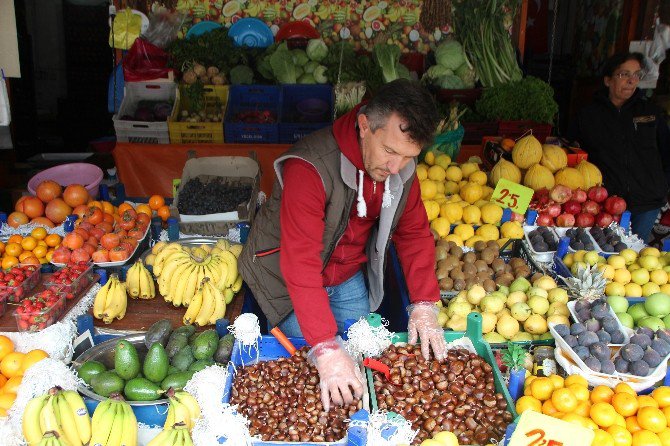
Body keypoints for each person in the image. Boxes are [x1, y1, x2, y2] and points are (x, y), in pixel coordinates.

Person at [239, 79, 447, 411]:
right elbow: (301, 262)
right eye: (390, 151)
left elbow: (415, 233)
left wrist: (424, 303)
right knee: (315, 368)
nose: (396, 167)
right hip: (286, 276)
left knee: (358, 360)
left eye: (409, 156)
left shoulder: (400, 169)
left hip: (347, 273)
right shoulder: (308, 168)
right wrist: (324, 346)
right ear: (365, 126)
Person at [570, 52, 670, 242]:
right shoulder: (588, 115)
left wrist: (662, 184)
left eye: (636, 75)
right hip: (604, 204)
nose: (631, 81)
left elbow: (666, 151)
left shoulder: (650, 112)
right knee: (602, 250)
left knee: (631, 253)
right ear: (608, 80)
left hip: (646, 202)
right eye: (624, 74)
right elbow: (574, 153)